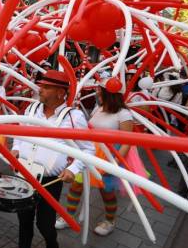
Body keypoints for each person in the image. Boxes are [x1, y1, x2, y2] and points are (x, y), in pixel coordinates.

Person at [4, 69, 94, 248]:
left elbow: (88, 150)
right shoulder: (31, 109)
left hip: (50, 181)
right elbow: (21, 132)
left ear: (60, 93)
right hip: (25, 176)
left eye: (46, 87)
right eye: (41, 85)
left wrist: (73, 169)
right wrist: (16, 148)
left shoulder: (74, 117)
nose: (40, 89)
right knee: (24, 220)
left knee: (45, 224)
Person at [56, 82, 135, 236]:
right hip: (90, 153)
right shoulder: (99, 108)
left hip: (109, 156)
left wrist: (114, 164)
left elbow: (128, 141)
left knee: (106, 191)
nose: (97, 93)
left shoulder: (124, 114)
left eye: (99, 90)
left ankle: (110, 221)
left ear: (109, 93)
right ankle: (69, 217)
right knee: (76, 185)